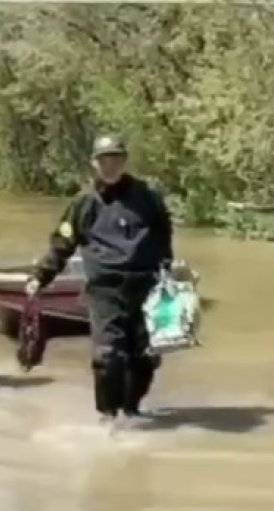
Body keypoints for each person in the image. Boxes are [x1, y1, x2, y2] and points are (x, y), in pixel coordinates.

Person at [25, 135, 174, 425]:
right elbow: (62, 243)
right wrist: (41, 276)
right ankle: (107, 418)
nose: (110, 165)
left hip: (145, 287)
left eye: (116, 159)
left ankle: (132, 411)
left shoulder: (148, 198)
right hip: (105, 290)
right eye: (104, 160)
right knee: (108, 357)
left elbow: (164, 236)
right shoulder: (84, 203)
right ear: (94, 163)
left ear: (125, 161)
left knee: (145, 358)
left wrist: (167, 273)